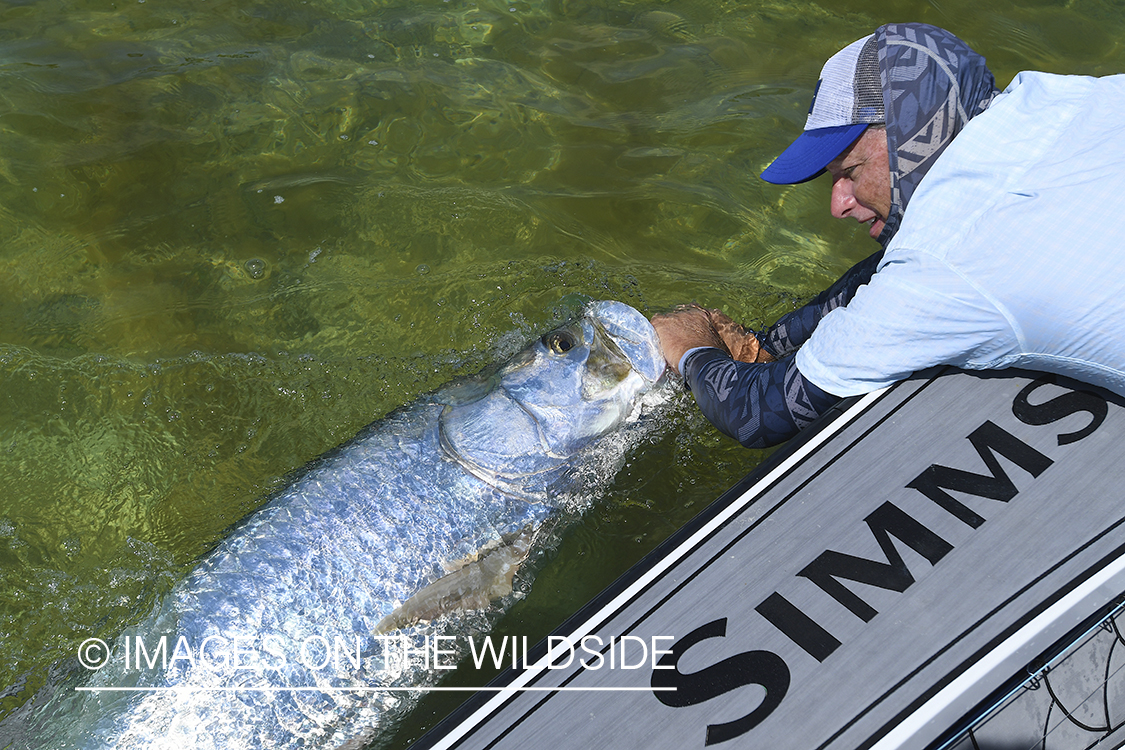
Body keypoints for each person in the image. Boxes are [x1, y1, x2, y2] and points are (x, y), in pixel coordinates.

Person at [652, 22, 1125, 449]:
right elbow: (896, 270)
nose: (838, 204)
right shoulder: (1073, 95)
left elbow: (757, 413)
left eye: (850, 171)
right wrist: (768, 345)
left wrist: (689, 346)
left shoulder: (946, 264)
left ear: (914, 137)